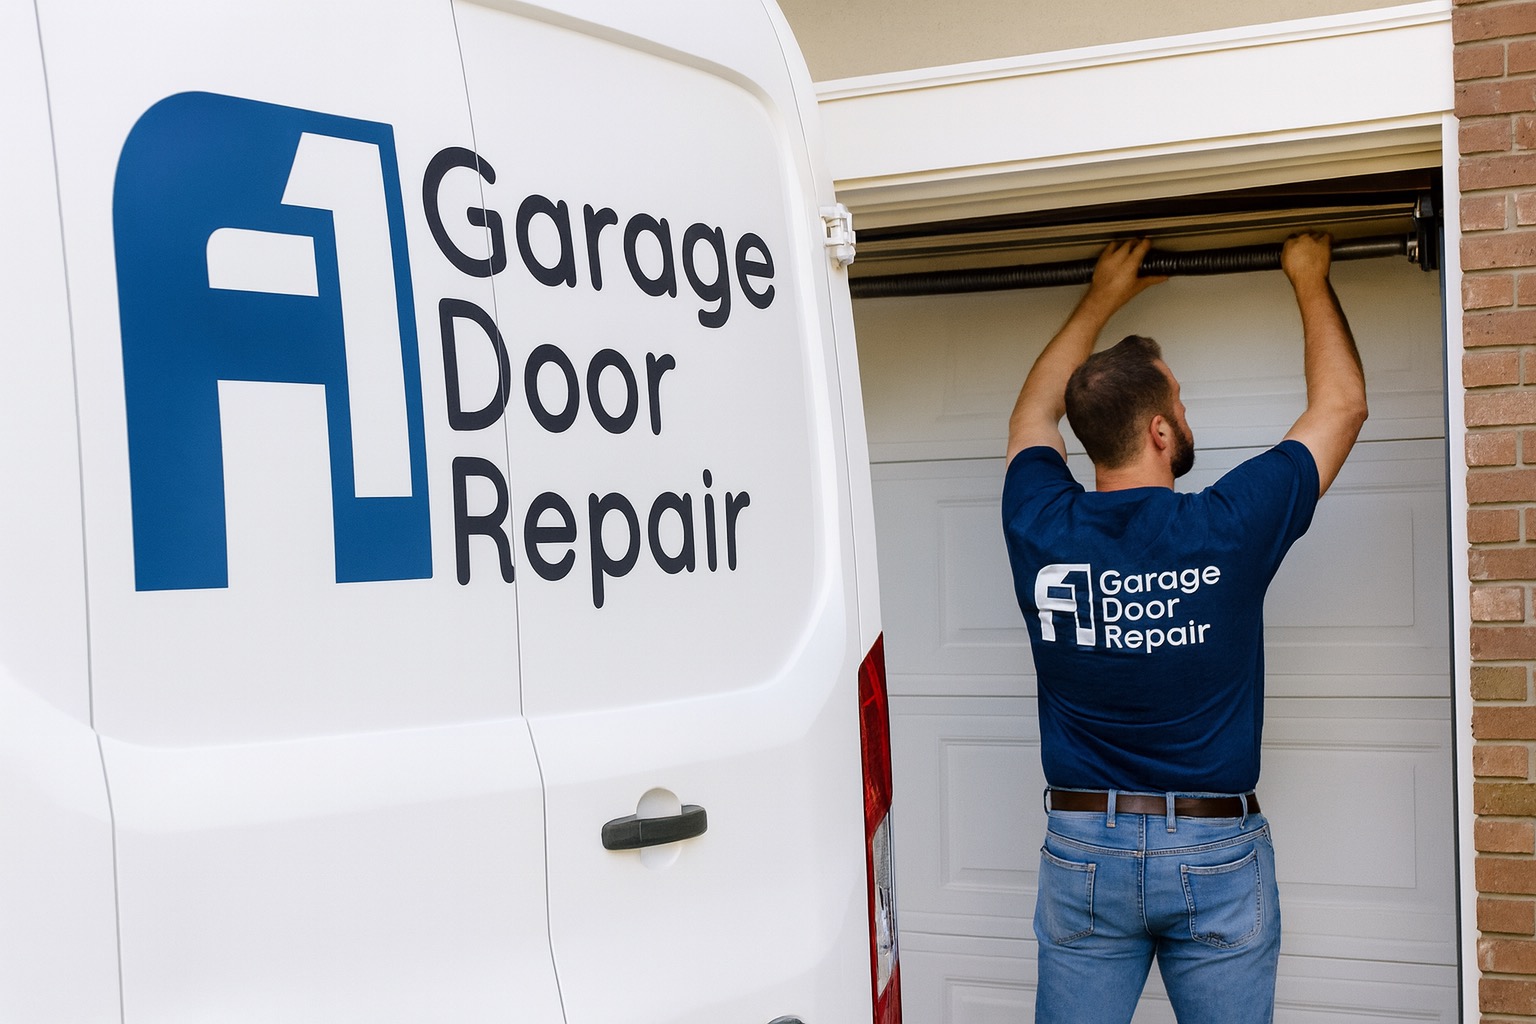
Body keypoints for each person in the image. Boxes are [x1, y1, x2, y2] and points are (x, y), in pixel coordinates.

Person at [1000, 233, 1366, 1024]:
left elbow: (1033, 412)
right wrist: (1308, 275)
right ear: (1161, 432)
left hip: (1084, 844)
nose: (1185, 415)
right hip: (1213, 850)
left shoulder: (1038, 522)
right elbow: (1341, 406)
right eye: (1181, 403)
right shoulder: (1224, 528)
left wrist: (1101, 295)